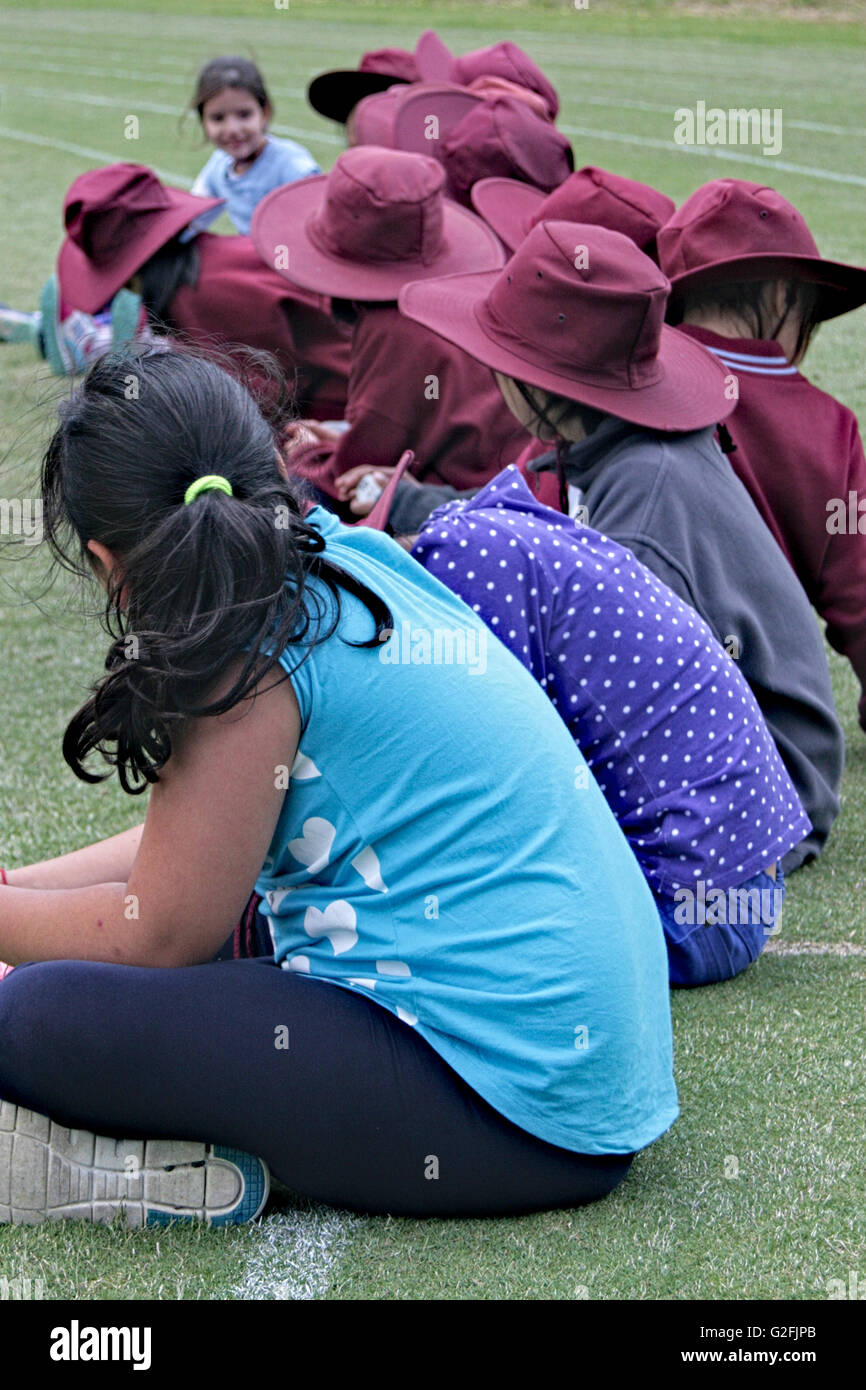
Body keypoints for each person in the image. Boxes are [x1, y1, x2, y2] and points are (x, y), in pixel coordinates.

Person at [0, 345, 677, 1224]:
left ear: (108, 563)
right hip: (574, 1080)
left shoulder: (242, 646)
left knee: (35, 1015)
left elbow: (161, 931)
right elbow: (202, 847)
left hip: (507, 1112)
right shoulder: (345, 557)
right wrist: (17, 891)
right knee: (149, 957)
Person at [398, 220, 845, 871]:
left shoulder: (646, 499)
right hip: (737, 765)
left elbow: (622, 691)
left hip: (759, 796)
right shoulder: (615, 450)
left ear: (535, 384)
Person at [406, 466, 809, 986]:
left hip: (692, 913)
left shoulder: (461, 564)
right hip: (743, 886)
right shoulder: (492, 530)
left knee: (421, 927)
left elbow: (495, 777)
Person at [658, 179, 866, 731]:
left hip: (625, 699)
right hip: (768, 726)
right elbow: (861, 595)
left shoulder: (622, 391)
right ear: (781, 296)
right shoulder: (828, 428)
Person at [251, 147, 528, 514]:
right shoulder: (454, 295)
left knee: (286, 488)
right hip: (509, 476)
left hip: (473, 501)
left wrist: (308, 451)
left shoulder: (394, 325)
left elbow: (356, 471)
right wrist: (343, 441)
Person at [29, 162, 350, 416]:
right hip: (342, 391)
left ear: (127, 275)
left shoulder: (199, 297)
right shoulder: (208, 261)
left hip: (342, 407)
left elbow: (265, 398)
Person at [189, 57, 320, 236]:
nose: (232, 129)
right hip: (252, 252)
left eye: (244, 115)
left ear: (265, 112)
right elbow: (193, 218)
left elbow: (315, 233)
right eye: (218, 118)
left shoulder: (293, 167)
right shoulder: (219, 165)